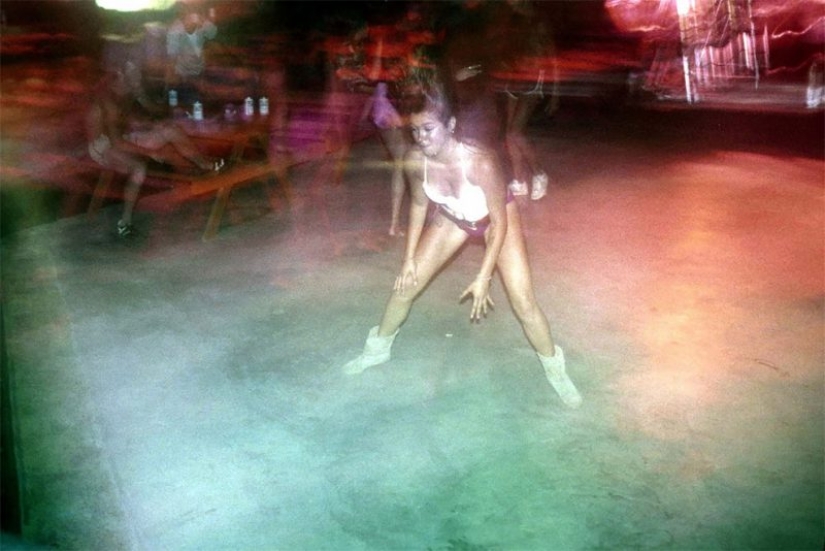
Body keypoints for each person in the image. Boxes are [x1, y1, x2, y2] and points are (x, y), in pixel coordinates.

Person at [342, 84, 582, 408]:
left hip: (496, 221)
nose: (421, 138)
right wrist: (409, 258)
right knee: (404, 287)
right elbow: (418, 206)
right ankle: (377, 350)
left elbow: (499, 223)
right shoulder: (416, 159)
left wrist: (484, 276)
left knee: (524, 303)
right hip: (453, 217)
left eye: (428, 129)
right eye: (415, 130)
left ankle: (554, 366)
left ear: (451, 125)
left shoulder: (480, 163)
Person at [86, 62, 223, 237]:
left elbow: (150, 113)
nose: (136, 80)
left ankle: (204, 165)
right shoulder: (107, 101)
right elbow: (116, 142)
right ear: (119, 78)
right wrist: (151, 152)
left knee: (170, 129)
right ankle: (125, 222)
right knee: (138, 168)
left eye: (137, 77)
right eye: (132, 77)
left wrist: (147, 112)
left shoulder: (127, 94)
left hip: (121, 139)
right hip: (102, 147)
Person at [165, 2, 217, 104]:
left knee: (199, 107)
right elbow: (172, 57)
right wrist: (171, 79)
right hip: (184, 79)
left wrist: (205, 21)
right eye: (187, 10)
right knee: (190, 107)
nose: (191, 13)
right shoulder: (175, 31)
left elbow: (212, 34)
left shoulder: (200, 24)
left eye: (193, 10)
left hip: (199, 74)